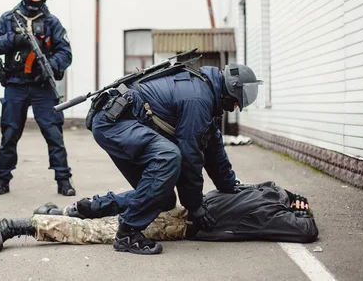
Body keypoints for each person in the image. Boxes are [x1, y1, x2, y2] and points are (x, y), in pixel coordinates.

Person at [82, 62, 262, 254]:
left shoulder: (207, 92)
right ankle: (128, 233)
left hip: (122, 121)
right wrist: (195, 206)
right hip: (114, 123)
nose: (234, 108)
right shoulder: (198, 98)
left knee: (163, 198)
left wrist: (229, 184)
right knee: (168, 156)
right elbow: (190, 156)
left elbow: (213, 145)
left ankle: (91, 208)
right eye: (235, 102)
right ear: (230, 89)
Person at [0, 181, 319, 252]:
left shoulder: (264, 191)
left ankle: (55, 212)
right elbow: (306, 231)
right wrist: (299, 210)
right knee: (101, 233)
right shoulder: (269, 211)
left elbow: (275, 188)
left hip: (184, 203)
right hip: (181, 223)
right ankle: (15, 226)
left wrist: (292, 198)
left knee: (124, 203)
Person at [0, 0, 75, 196]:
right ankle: (2, 179)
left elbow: (66, 53)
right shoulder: (8, 19)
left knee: (53, 133)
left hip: (42, 87)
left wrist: (47, 68)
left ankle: (63, 180)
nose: (35, 0)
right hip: (15, 85)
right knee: (10, 133)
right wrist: (14, 39)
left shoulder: (51, 22)